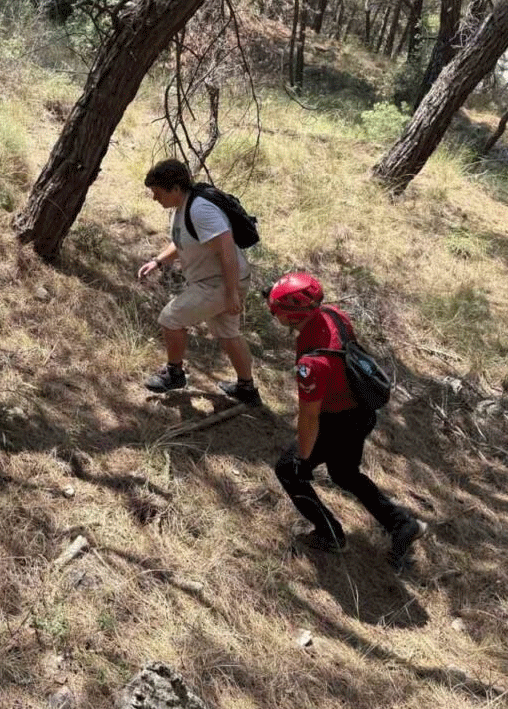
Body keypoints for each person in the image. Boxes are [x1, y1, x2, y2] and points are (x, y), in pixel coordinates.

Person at [265, 272, 426, 571]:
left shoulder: (311, 365)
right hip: (362, 414)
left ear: (291, 316)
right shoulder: (332, 314)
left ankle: (330, 534)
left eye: (278, 312)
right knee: (345, 473)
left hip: (336, 421)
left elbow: (309, 417)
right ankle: (402, 524)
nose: (275, 316)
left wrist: (302, 457)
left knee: (289, 471)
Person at [137, 159, 258, 405]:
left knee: (170, 319)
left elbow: (226, 250)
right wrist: (159, 261)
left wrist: (232, 293)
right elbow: (183, 240)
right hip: (223, 280)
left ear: (175, 188)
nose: (154, 198)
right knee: (228, 332)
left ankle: (174, 373)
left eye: (157, 192)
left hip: (221, 282)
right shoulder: (185, 206)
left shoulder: (200, 209)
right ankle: (247, 389)